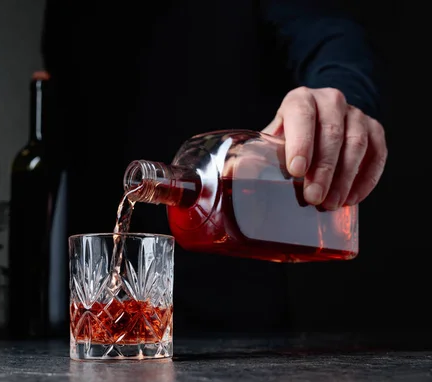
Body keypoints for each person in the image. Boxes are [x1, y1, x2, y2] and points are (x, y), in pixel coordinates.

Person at [41, 1, 388, 334]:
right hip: (73, 318)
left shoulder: (203, 159)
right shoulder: (70, 9)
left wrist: (337, 101)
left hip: (238, 319)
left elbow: (330, 34)